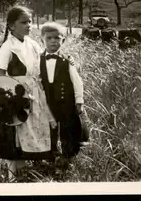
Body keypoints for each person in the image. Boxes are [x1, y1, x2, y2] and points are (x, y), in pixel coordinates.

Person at [0, 5, 57, 181]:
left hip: (35, 93)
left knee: (35, 133)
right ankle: (13, 177)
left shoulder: (33, 45)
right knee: (15, 134)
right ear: (11, 26)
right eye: (23, 22)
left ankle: (30, 173)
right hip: (16, 96)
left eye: (30, 22)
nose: (28, 25)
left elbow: (43, 65)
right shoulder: (7, 48)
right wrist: (8, 100)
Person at [39, 21, 89, 170]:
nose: (53, 41)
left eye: (57, 38)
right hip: (48, 103)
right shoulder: (38, 60)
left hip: (66, 102)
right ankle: (50, 155)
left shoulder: (67, 60)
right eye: (49, 38)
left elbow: (77, 82)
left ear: (63, 40)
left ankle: (69, 156)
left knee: (68, 128)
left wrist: (79, 101)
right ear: (42, 39)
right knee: (49, 128)